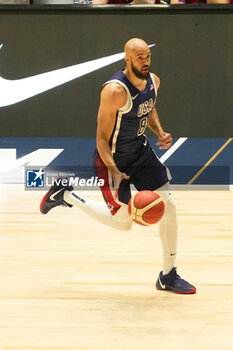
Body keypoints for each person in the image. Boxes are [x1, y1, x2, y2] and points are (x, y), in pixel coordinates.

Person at [40, 38, 196, 294]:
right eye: (139, 57)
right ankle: (65, 194)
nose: (145, 61)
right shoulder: (114, 91)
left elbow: (149, 107)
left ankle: (168, 275)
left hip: (140, 152)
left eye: (147, 56)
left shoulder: (154, 81)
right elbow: (101, 138)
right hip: (111, 160)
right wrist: (113, 169)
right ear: (127, 58)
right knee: (123, 224)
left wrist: (159, 132)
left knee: (169, 205)